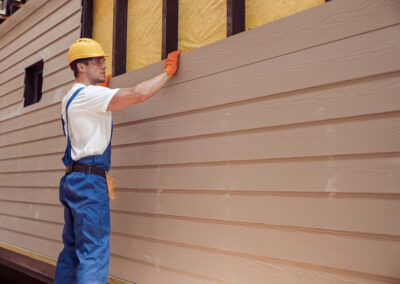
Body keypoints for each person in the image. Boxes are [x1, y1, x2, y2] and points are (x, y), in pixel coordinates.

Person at [54, 38, 180, 283]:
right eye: (98, 61)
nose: (103, 65)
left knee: (72, 250)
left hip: (73, 179)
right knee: (94, 252)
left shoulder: (70, 97)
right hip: (90, 182)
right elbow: (138, 94)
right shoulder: (89, 95)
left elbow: (91, 113)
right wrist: (167, 72)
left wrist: (103, 90)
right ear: (81, 67)